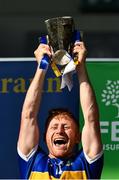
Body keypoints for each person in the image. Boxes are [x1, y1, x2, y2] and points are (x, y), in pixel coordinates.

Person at [17, 41, 104, 179]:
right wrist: (42, 66)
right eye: (54, 127)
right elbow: (28, 116)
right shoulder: (32, 162)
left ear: (78, 137)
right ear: (44, 137)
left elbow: (91, 119)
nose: (59, 131)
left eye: (66, 126)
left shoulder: (85, 163)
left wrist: (80, 66)